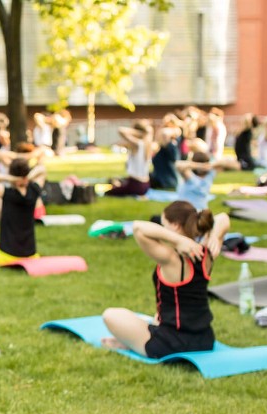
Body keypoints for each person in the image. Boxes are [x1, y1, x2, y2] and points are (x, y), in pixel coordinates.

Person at [102, 201, 230, 358]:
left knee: (111, 315)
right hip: (204, 340)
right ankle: (131, 341)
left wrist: (177, 240)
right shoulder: (207, 253)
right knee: (155, 319)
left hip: (170, 344)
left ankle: (130, 344)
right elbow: (223, 218)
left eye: (164, 225)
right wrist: (216, 237)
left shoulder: (171, 258)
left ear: (175, 225)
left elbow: (138, 228)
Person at [174, 152, 240, 210]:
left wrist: (211, 165)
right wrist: (199, 166)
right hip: (185, 211)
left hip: (201, 211)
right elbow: (178, 165)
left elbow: (236, 166)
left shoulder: (210, 173)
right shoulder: (189, 175)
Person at [107, 123, 153, 197]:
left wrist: (138, 132)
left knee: (109, 192)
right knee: (117, 181)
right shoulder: (147, 144)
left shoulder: (138, 144)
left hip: (136, 185)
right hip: (146, 185)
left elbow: (120, 130)